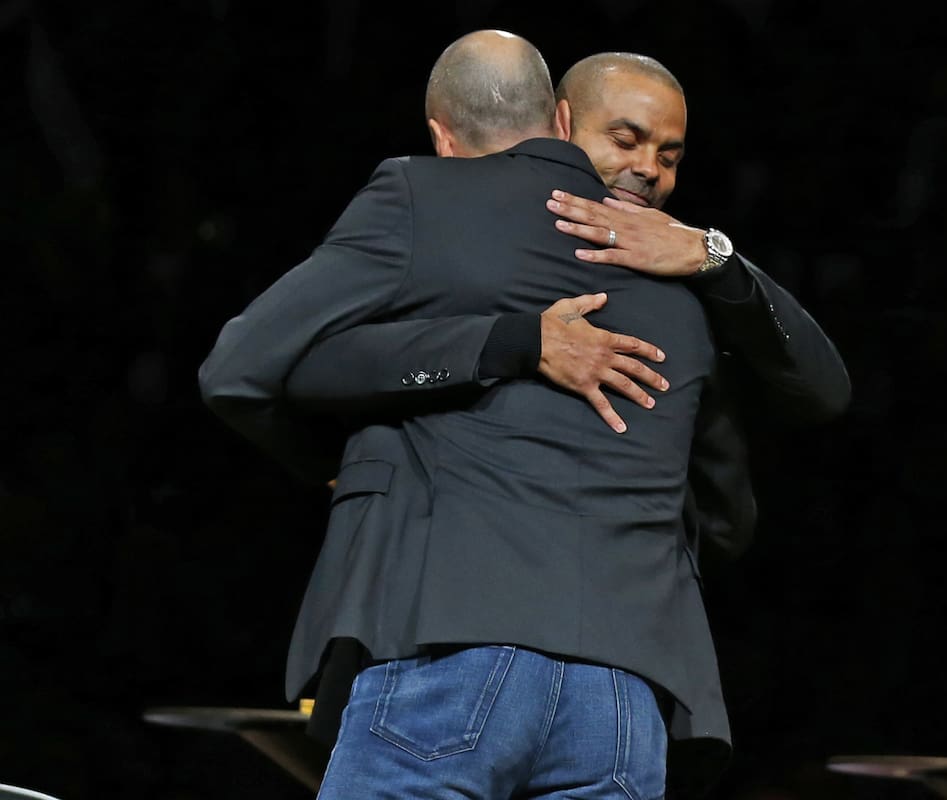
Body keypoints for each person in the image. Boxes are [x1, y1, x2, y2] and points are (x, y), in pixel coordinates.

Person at [198, 31, 849, 799]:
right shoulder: (685, 298)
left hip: (450, 651)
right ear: (561, 123)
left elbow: (245, 369)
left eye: (669, 154)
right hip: (626, 694)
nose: (647, 168)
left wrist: (711, 252)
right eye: (628, 139)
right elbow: (730, 500)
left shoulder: (440, 201)